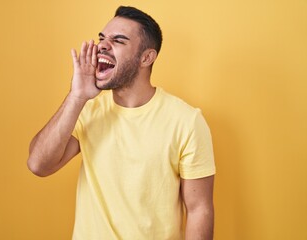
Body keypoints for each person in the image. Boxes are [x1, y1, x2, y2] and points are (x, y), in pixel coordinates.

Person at [27, 6, 216, 240]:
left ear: (146, 57)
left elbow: (199, 209)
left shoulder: (186, 121)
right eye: (102, 38)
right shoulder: (87, 109)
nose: (103, 46)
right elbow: (38, 165)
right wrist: (76, 96)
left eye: (118, 40)